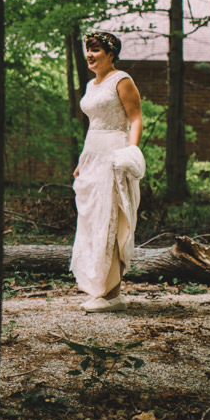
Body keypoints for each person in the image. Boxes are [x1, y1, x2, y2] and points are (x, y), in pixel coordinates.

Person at [71, 32, 143, 313]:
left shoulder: (122, 80)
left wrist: (129, 153)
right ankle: (98, 289)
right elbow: (93, 126)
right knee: (92, 220)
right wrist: (82, 160)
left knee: (111, 217)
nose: (90, 55)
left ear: (111, 54)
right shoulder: (91, 85)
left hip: (115, 151)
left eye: (96, 50)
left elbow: (135, 118)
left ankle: (114, 294)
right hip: (92, 153)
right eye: (88, 50)